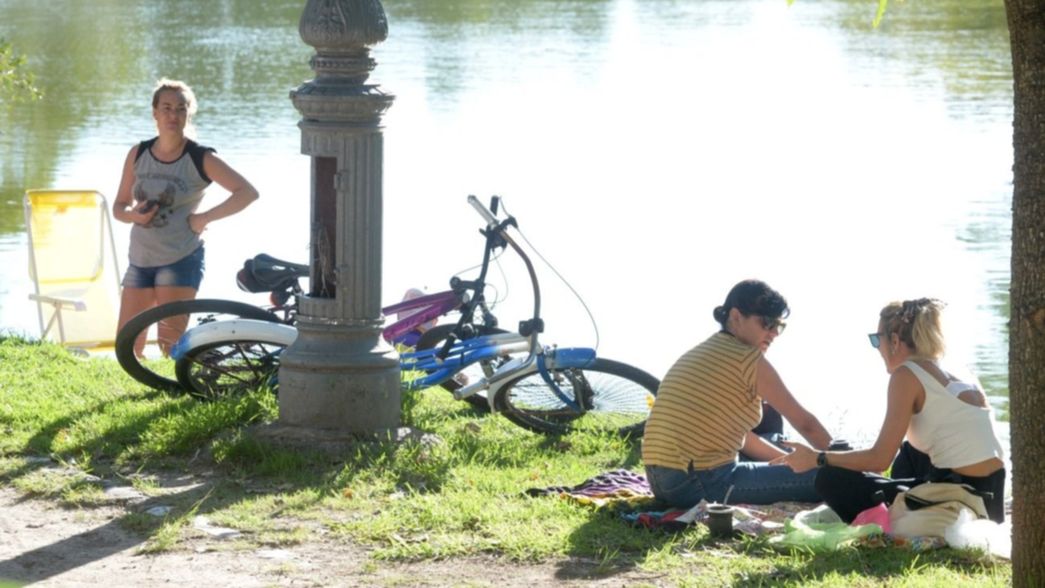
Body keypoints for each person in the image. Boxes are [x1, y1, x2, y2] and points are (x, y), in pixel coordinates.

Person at [773, 298, 1006, 523]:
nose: (877, 348)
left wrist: (817, 458)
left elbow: (880, 459)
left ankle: (892, 509)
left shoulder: (906, 374)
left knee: (829, 478)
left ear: (894, 341)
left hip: (963, 502)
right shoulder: (956, 372)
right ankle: (895, 498)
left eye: (877, 339)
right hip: (990, 496)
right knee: (906, 452)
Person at [642, 279, 837, 508]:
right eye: (766, 322)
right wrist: (849, 463)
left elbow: (740, 438)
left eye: (779, 326)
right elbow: (806, 424)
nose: (773, 332)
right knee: (830, 477)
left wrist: (783, 462)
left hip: (661, 479)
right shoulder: (747, 359)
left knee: (777, 440)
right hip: (699, 482)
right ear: (735, 317)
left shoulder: (704, 351)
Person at [112, 78, 258, 355]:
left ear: (188, 113)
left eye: (181, 108)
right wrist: (133, 216)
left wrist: (203, 218)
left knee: (170, 348)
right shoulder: (138, 153)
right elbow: (119, 207)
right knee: (126, 347)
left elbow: (247, 192)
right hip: (140, 261)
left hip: (179, 260)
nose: (173, 115)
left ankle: (171, 392)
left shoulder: (199, 157)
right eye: (166, 108)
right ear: (154, 113)